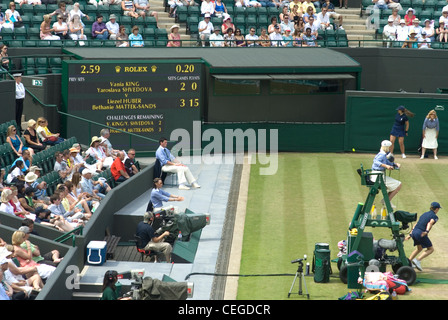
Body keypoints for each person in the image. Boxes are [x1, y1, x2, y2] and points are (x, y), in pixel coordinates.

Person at [405, 202, 441, 271]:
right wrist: (426, 231)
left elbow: (416, 224)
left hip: (415, 232)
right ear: (436, 209)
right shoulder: (434, 216)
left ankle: (408, 262)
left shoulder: (424, 214)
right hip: (421, 233)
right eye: (438, 209)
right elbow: (430, 223)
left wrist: (410, 234)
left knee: (419, 248)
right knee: (430, 249)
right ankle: (417, 260)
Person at [371, 140, 401, 205]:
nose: (390, 148)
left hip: (379, 176)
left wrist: (395, 164)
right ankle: (386, 201)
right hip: (377, 177)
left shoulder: (384, 154)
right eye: (390, 147)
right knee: (399, 184)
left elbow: (388, 163)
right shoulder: (382, 155)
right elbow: (376, 162)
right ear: (387, 147)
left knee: (397, 185)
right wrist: (386, 166)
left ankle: (386, 200)